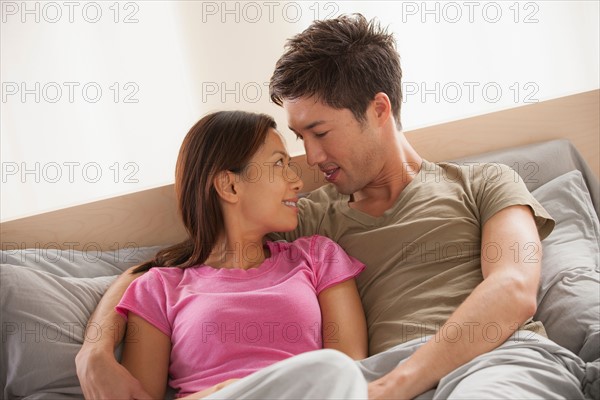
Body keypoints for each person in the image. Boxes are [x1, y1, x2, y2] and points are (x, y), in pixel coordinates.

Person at [77, 14, 592, 400]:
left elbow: (514, 287)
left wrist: (395, 384)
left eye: (320, 133)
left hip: (491, 364)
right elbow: (168, 270)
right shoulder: (306, 220)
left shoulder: (485, 183)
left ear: (379, 108)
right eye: (300, 138)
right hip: (366, 384)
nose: (310, 160)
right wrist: (95, 352)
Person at [98, 110, 369, 399]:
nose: (297, 182)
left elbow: (350, 372)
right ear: (230, 185)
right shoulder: (158, 288)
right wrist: (223, 392)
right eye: (279, 164)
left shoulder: (319, 257)